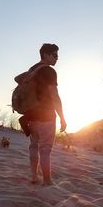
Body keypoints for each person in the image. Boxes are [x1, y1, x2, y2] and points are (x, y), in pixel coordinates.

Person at [20, 43, 67, 186]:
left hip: (31, 116)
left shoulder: (32, 69)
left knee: (34, 146)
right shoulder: (49, 71)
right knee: (45, 150)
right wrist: (62, 117)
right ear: (45, 55)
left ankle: (34, 176)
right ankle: (47, 180)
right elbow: (54, 96)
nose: (57, 58)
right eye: (54, 55)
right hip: (46, 116)